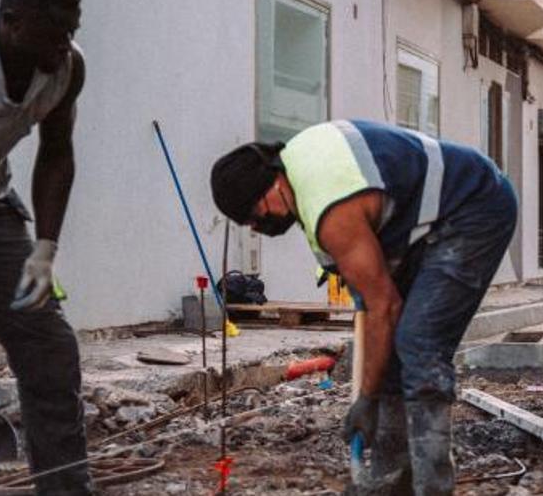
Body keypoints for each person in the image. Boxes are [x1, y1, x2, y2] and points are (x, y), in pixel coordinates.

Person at [210, 119, 516, 495]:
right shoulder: (302, 171)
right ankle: (391, 480)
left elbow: (382, 305)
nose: (257, 229)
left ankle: (433, 486)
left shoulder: (330, 210)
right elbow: (374, 304)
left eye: (254, 216)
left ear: (272, 185)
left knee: (419, 341)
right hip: (426, 225)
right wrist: (372, 386)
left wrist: (367, 399)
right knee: (389, 348)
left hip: (475, 206)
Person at [0, 0, 93, 493]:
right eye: (55, 30)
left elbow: (57, 151)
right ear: (11, 22)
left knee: (49, 347)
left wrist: (45, 247)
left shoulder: (67, 68)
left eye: (73, 30)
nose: (66, 43)